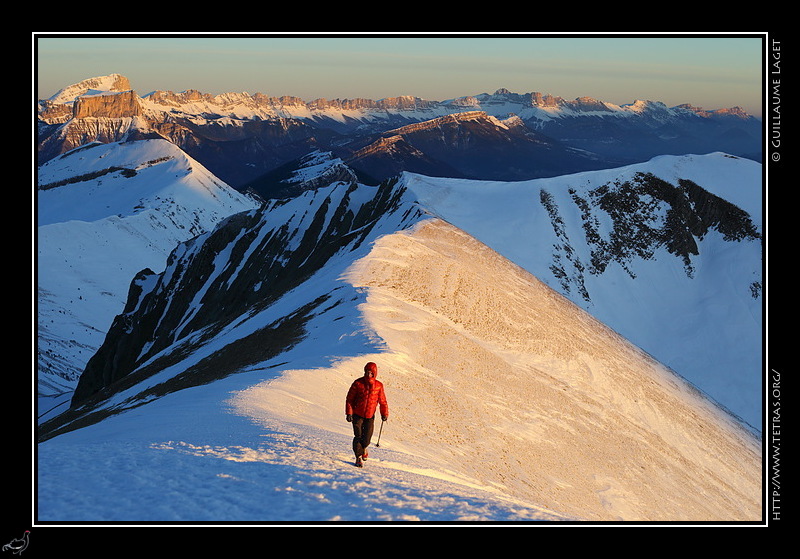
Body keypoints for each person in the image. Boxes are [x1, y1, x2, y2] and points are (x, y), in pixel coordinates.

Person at [345, 361, 389, 467]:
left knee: (367, 438)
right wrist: (349, 413)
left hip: (370, 416)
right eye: (367, 372)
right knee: (358, 436)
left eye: (371, 373)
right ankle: (358, 457)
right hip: (357, 414)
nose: (368, 375)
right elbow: (349, 399)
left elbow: (383, 401)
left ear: (374, 373)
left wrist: (384, 413)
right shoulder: (358, 383)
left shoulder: (379, 386)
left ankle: (364, 448)